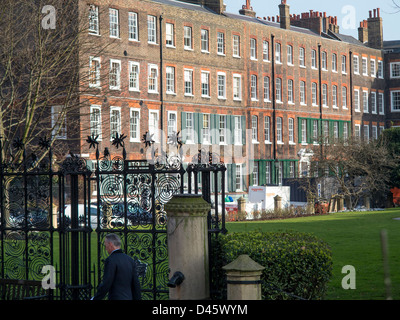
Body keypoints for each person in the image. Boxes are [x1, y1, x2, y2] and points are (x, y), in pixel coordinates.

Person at [92, 234, 141, 300]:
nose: (105, 247)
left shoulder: (111, 260)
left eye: (105, 244)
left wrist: (95, 298)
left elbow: (107, 283)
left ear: (110, 244)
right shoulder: (129, 260)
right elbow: (136, 284)